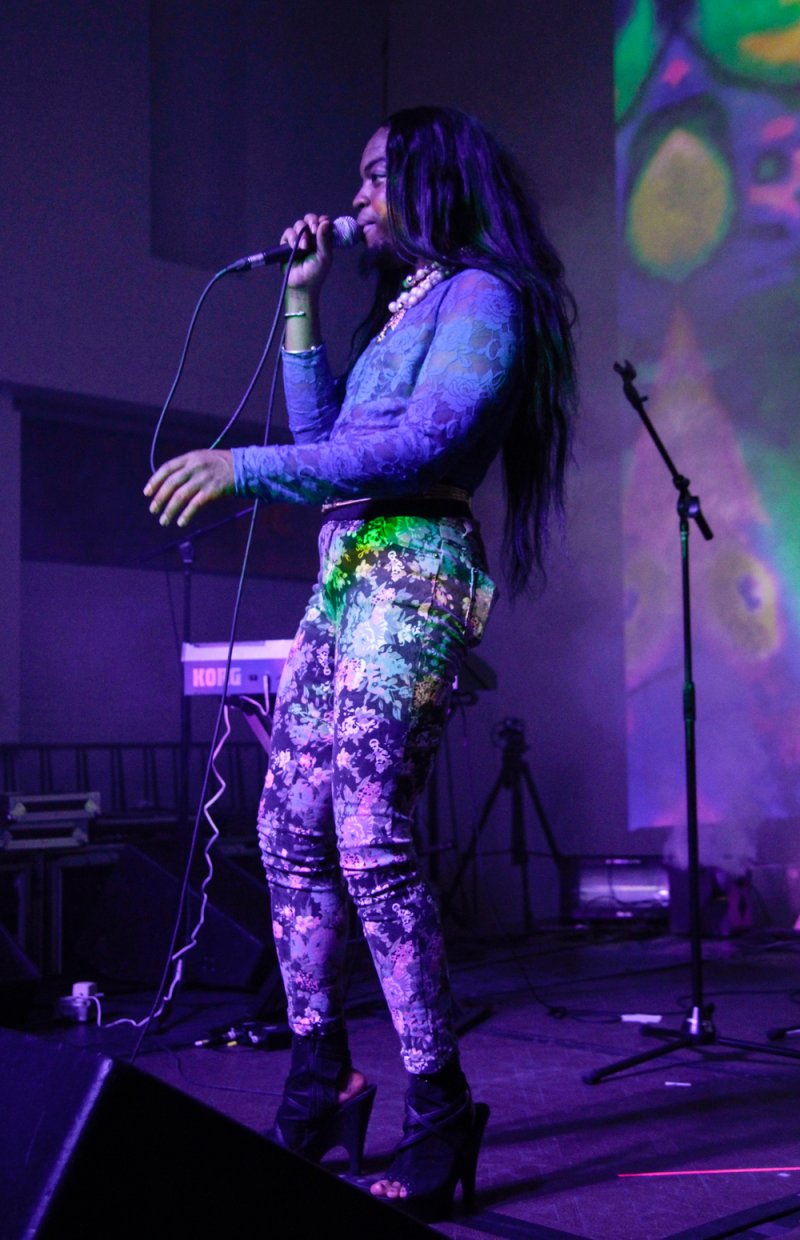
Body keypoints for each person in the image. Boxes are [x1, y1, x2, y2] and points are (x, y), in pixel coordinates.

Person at [144, 104, 577, 1222]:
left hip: (416, 568)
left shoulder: (485, 297)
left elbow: (423, 442)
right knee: (283, 826)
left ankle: (438, 1105)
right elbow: (328, 430)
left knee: (368, 828)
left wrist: (245, 469)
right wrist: (301, 300)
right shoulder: (399, 308)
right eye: (360, 179)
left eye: (379, 177)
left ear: (437, 181)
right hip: (345, 574)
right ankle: (320, 1074)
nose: (361, 198)